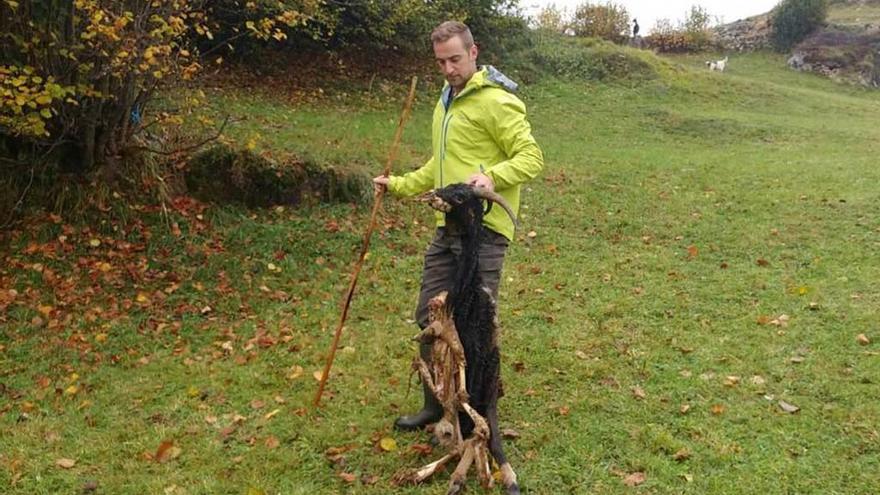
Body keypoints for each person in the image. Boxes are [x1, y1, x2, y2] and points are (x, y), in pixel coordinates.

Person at [373, 20, 544, 431]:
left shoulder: (497, 102)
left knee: (474, 327)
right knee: (428, 317)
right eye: (440, 62)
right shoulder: (446, 100)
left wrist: (492, 177)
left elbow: (532, 157)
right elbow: (440, 165)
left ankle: (476, 416)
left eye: (455, 59)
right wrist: (396, 185)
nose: (448, 69)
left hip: (485, 232)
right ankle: (434, 403)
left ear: (474, 52)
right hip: (447, 227)